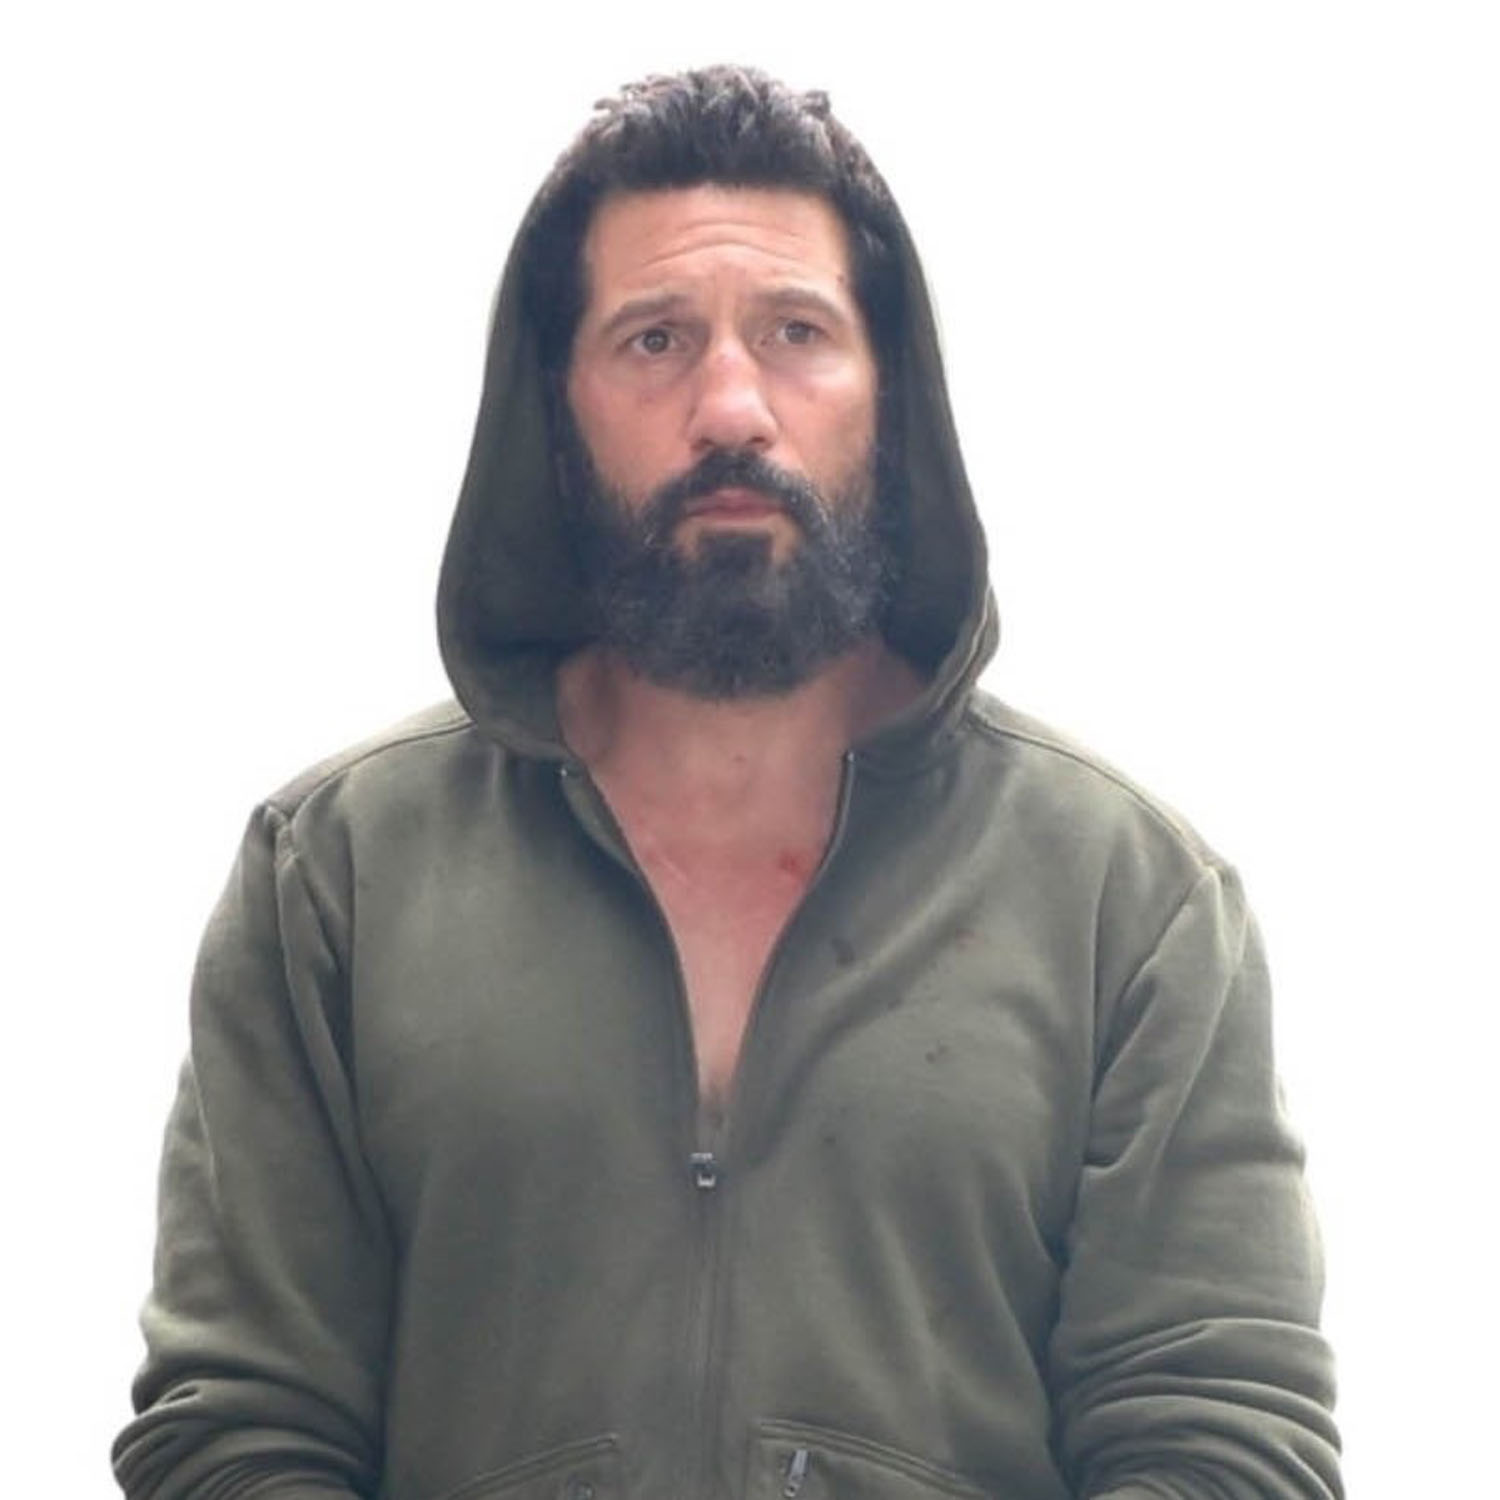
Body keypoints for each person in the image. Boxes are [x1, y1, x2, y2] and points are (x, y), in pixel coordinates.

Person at [114, 65, 1342, 1500]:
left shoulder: (1129, 899)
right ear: (555, 408)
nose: (732, 407)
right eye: (655, 340)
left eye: (796, 333)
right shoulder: (332, 878)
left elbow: (1223, 1438)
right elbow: (236, 1426)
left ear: (893, 394)